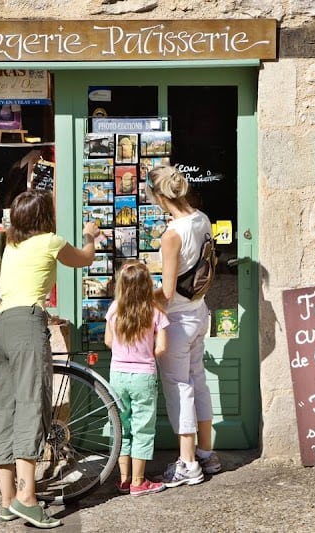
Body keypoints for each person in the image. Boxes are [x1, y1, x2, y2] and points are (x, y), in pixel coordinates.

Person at [0, 190, 100, 528]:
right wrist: (90, 237)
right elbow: (84, 259)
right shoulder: (51, 240)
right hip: (25, 326)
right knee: (32, 407)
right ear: (43, 217)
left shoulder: (11, 245)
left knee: (4, 411)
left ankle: (7, 500)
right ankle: (27, 498)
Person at [145, 165, 221, 487]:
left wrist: (135, 297)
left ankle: (187, 464)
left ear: (160, 197)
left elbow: (166, 291)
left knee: (179, 388)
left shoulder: (172, 235)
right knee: (198, 382)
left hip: (177, 319)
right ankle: (206, 453)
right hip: (198, 312)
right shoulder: (201, 219)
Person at [104, 260, 169, 496]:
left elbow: (108, 341)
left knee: (122, 426)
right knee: (143, 428)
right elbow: (162, 347)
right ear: (147, 285)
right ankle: (139, 481)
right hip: (144, 376)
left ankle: (124, 479)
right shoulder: (154, 311)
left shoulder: (114, 309)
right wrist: (146, 355)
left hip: (118, 375)